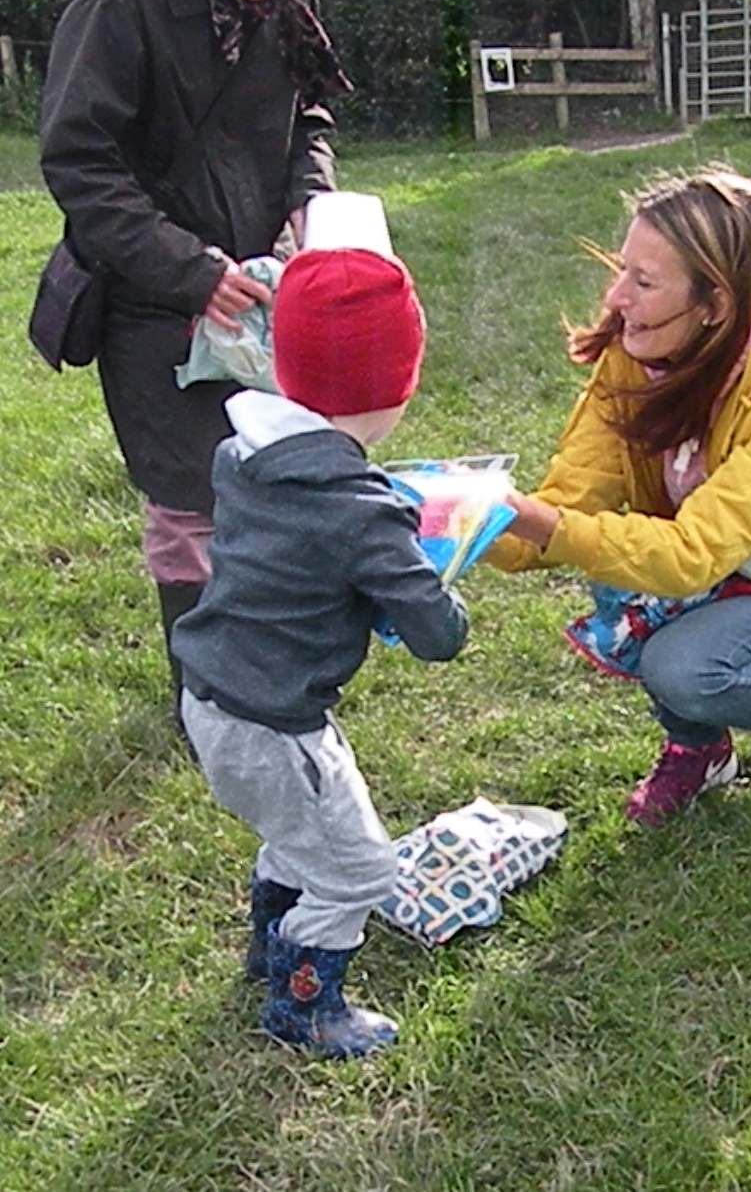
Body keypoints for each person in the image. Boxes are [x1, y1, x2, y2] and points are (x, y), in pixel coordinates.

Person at [489, 166, 751, 829]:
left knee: (682, 665)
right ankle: (699, 747)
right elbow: (574, 497)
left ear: (715, 303)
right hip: (720, 587)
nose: (616, 296)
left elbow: (690, 554)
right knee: (629, 589)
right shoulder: (640, 347)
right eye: (622, 268)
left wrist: (534, 518)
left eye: (644, 281)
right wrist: (467, 521)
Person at [38, 0, 354, 722]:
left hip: (264, 290)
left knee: (279, 477)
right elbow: (79, 162)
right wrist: (190, 269)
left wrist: (308, 203)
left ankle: (277, 666)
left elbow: (312, 118)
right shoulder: (122, 2)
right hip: (153, 298)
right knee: (192, 501)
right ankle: (208, 696)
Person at [172, 244, 469, 1057]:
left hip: (209, 697)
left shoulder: (244, 455)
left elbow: (297, 557)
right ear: (392, 387)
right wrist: (442, 573)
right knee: (357, 870)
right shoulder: (362, 509)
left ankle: (269, 947)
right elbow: (436, 636)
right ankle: (303, 1003)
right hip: (276, 721)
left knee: (297, 834)